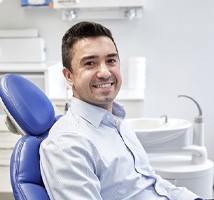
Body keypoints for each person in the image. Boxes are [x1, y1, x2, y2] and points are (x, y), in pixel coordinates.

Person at [40, 21, 203, 200]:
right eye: (90, 63)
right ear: (69, 76)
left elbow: (152, 182)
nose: (104, 72)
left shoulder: (117, 122)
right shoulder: (67, 144)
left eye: (111, 60)